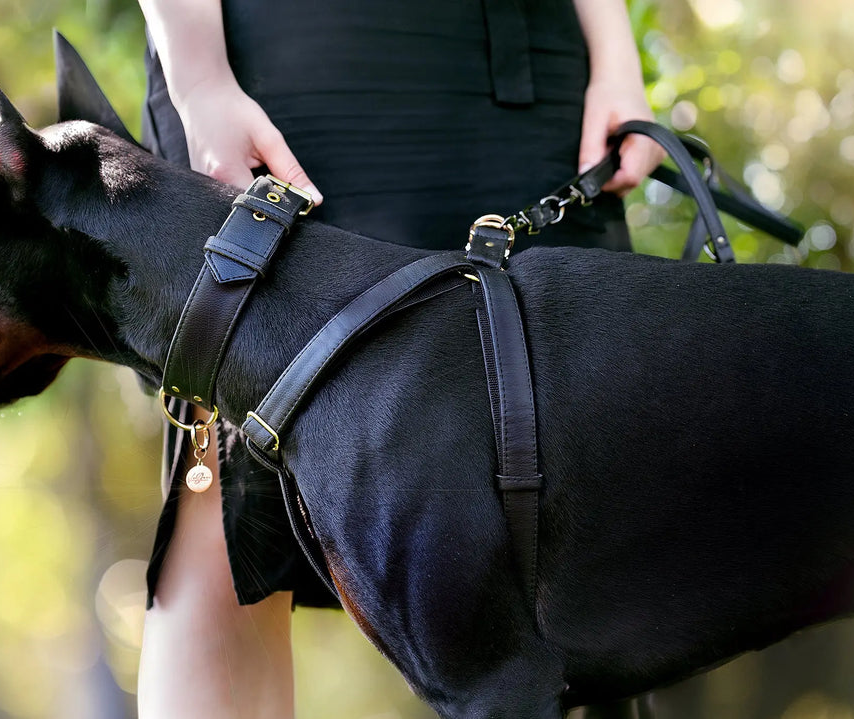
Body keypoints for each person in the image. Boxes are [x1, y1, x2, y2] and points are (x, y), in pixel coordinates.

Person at [134, 1, 663, 716]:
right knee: (230, 511)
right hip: (279, 68)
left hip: (523, 66)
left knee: (575, 514)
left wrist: (617, 57)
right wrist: (200, 82)